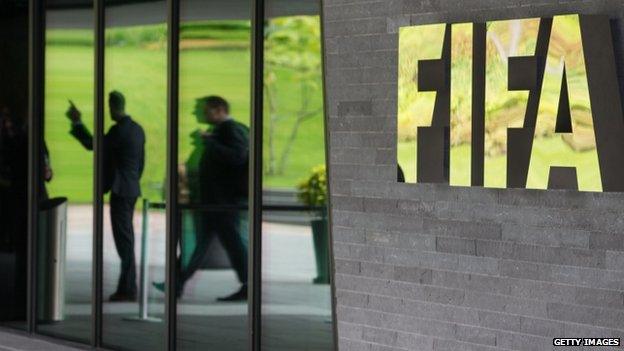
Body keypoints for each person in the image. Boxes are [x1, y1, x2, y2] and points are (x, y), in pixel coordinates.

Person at [155, 96, 249, 301]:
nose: (198, 113)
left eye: (203, 109)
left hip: (223, 202)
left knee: (228, 243)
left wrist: (209, 142)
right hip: (216, 202)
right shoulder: (224, 131)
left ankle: (249, 284)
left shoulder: (230, 129)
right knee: (201, 244)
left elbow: (238, 156)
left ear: (219, 110)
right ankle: (176, 284)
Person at [66, 91, 145, 302]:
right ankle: (127, 287)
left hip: (120, 190)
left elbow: (92, 144)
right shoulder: (137, 130)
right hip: (130, 188)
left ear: (112, 107)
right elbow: (140, 164)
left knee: (124, 242)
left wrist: (77, 122)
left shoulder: (118, 131)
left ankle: (128, 289)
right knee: (126, 240)